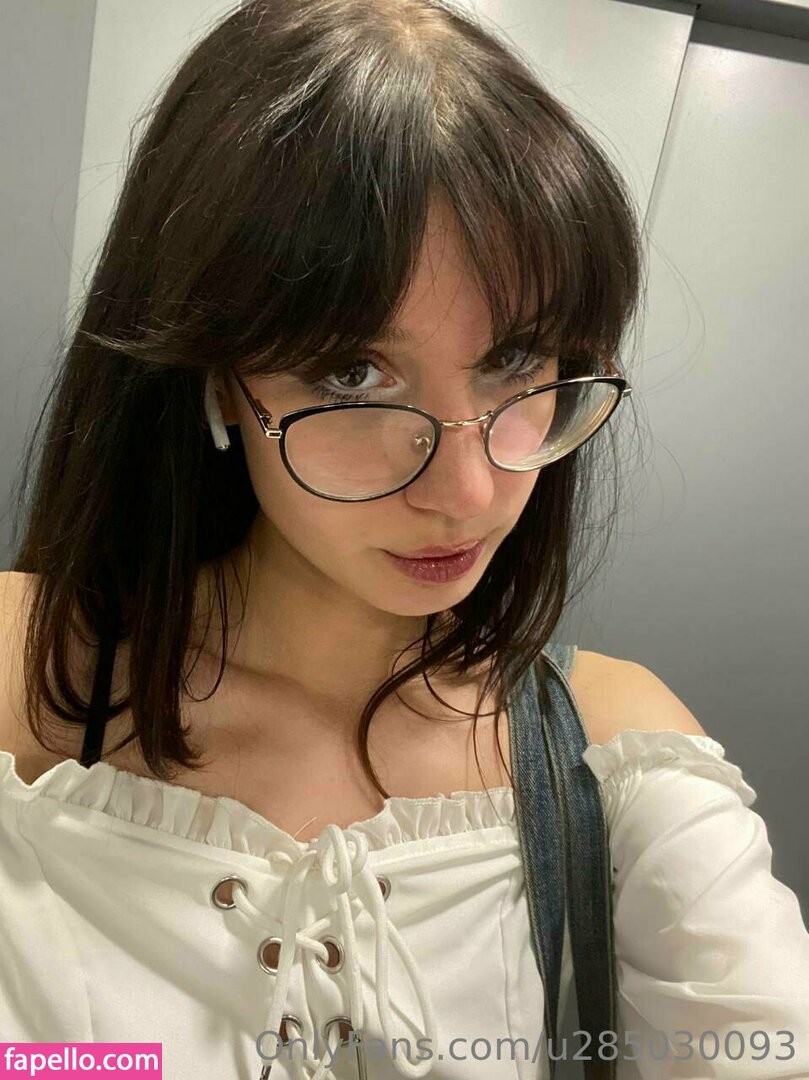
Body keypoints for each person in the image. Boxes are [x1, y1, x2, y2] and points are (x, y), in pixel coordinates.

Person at [1, 1, 808, 1078]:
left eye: (516, 358)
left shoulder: (609, 750)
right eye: (351, 373)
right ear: (215, 379)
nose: (467, 491)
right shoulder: (17, 668)